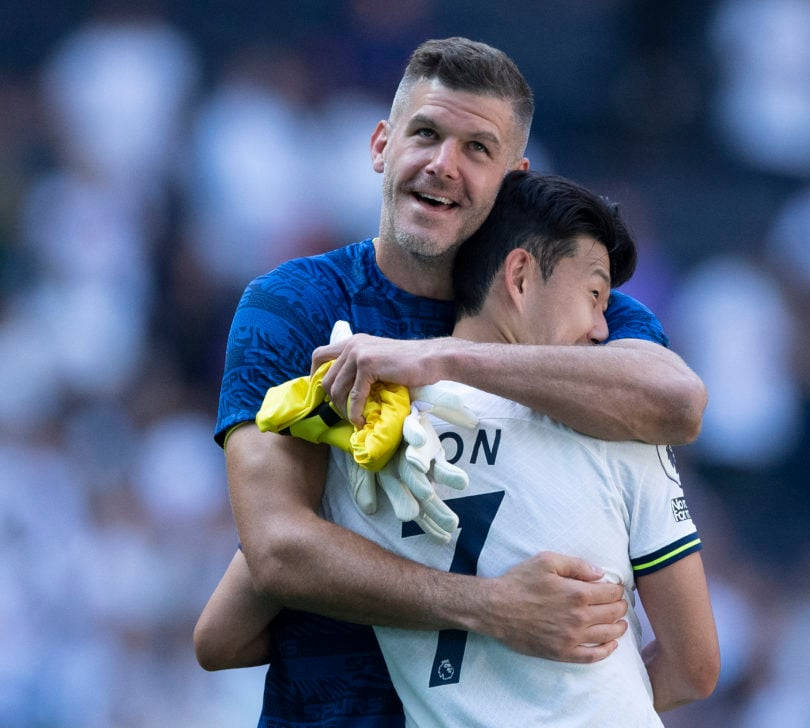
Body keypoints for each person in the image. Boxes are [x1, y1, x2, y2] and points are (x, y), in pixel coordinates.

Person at [214, 37, 708, 727]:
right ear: (381, 145)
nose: (443, 165)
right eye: (425, 134)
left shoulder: (575, 313)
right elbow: (276, 550)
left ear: (514, 179)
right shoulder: (295, 305)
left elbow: (677, 403)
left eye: (478, 148)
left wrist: (443, 359)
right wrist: (493, 607)